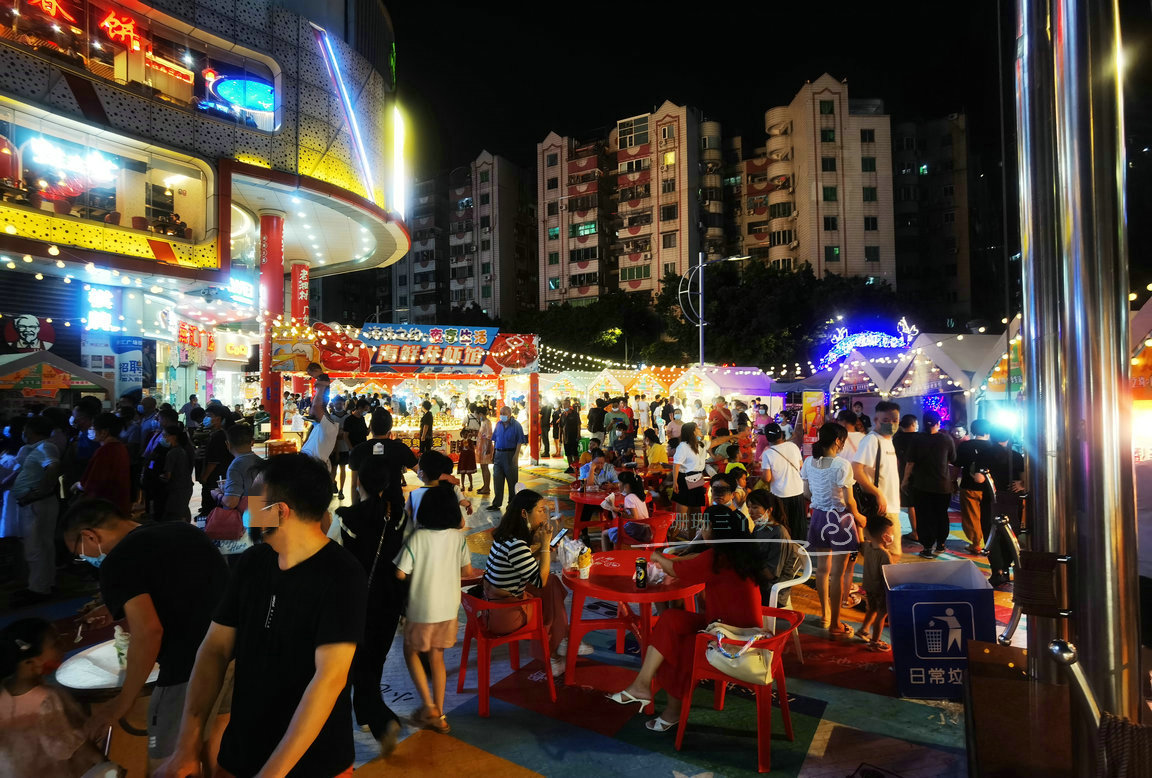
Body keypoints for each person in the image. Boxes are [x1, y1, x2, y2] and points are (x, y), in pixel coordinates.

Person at [157, 454, 366, 778]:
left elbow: (328, 680)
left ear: (280, 512)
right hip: (241, 752)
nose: (246, 510)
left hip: (314, 763)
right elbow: (214, 650)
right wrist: (186, 745)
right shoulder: (254, 562)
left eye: (254, 501)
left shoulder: (342, 575)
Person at [65, 498, 229, 772]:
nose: (86, 559)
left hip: (187, 669)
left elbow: (149, 632)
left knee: (167, 764)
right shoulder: (183, 531)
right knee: (219, 751)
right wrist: (113, 605)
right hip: (234, 655)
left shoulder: (117, 561)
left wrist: (122, 702)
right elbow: (186, 589)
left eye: (80, 553)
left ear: (89, 536)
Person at [607, 514, 765, 732]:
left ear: (718, 532)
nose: (702, 528)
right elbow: (691, 562)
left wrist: (654, 555)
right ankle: (642, 684)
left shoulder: (717, 558)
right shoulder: (738, 553)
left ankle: (670, 710)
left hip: (735, 639)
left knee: (680, 645)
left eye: (705, 525)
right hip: (730, 626)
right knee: (670, 620)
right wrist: (673, 560)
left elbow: (676, 570)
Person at [335, 457, 405, 756]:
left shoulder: (346, 519)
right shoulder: (399, 515)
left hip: (355, 602)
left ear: (358, 483)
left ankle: (379, 719)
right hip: (389, 600)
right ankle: (367, 714)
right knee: (373, 661)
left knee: (353, 665)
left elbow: (332, 562)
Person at [483, 488, 588, 678]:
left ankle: (561, 640)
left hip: (493, 606)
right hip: (506, 616)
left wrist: (542, 549)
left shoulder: (506, 537)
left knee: (552, 585)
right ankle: (555, 649)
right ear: (524, 513)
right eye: (540, 511)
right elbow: (539, 580)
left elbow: (526, 567)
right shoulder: (516, 545)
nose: (544, 516)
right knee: (548, 600)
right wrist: (546, 546)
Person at [394, 483, 472, 734]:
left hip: (422, 608)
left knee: (411, 652)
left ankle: (428, 706)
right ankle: (439, 713)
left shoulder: (418, 538)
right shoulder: (457, 538)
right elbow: (467, 571)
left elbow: (399, 572)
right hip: (449, 609)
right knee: (436, 657)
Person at [0, 618, 116, 777]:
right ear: (30, 663)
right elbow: (71, 744)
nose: (63, 645)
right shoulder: (47, 699)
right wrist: (105, 764)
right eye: (55, 643)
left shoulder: (3, 690)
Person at [802, 423, 865, 638]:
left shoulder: (809, 462)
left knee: (822, 571)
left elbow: (807, 493)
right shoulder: (842, 465)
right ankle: (836, 623)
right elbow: (849, 501)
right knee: (837, 574)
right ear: (838, 441)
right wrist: (859, 517)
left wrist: (821, 500)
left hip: (818, 518)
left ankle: (825, 615)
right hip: (839, 521)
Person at [10, 417, 60, 607]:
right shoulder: (35, 448)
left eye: (25, 429)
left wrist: (39, 492)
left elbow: (53, 467)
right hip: (38, 503)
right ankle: (45, 582)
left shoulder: (45, 447)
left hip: (37, 504)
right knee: (44, 545)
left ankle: (38, 589)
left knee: (35, 546)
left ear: (32, 431)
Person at [348, 409, 417, 525]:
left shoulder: (358, 450)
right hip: (395, 505)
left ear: (371, 427)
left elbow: (354, 484)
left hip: (366, 507)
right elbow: (421, 472)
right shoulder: (400, 448)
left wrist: (355, 507)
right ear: (390, 428)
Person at [904, 410, 957, 559]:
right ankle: (940, 544)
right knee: (941, 515)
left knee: (924, 516)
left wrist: (905, 480)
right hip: (942, 485)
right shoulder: (947, 439)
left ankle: (927, 547)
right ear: (938, 423)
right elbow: (953, 459)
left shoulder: (917, 439)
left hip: (922, 485)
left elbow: (910, 463)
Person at [209, 424, 262, 562]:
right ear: (252, 442)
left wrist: (218, 495)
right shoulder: (262, 462)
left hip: (244, 531)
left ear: (228, 444)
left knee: (240, 570)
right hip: (264, 524)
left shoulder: (236, 466)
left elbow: (231, 502)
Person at [986, 427, 1026, 587]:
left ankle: (998, 571)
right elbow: (1024, 480)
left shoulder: (985, 454)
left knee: (992, 534)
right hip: (1012, 500)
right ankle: (1007, 566)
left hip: (991, 501)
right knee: (1011, 533)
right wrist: (1021, 485)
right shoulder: (1016, 456)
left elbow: (979, 479)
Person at [72, 413, 130, 517]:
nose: (91, 430)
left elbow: (94, 482)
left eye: (93, 428)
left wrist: (78, 485)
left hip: (104, 506)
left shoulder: (105, 451)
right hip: (116, 503)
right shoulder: (120, 447)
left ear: (104, 432)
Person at [954, 418, 996, 554]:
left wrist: (953, 481)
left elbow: (957, 465)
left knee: (971, 516)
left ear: (972, 430)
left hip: (969, 486)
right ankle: (990, 543)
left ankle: (976, 544)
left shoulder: (965, 446)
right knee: (988, 516)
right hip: (989, 488)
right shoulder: (993, 446)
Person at [759, 422, 806, 540]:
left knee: (784, 524)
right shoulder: (793, 446)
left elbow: (767, 478)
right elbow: (801, 466)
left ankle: (785, 549)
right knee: (798, 523)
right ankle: (799, 549)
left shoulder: (768, 454)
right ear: (781, 434)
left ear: (767, 437)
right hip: (798, 491)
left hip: (780, 494)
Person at [859, 514, 897, 651]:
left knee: (872, 609)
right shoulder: (885, 554)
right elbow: (889, 575)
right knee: (882, 614)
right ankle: (875, 641)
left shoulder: (867, 547)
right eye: (891, 533)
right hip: (880, 589)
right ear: (884, 536)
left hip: (868, 587)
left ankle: (863, 629)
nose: (892, 536)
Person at [600, 470, 650, 550]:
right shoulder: (640, 496)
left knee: (605, 534)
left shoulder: (629, 498)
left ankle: (607, 557)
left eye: (620, 483)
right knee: (614, 531)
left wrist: (618, 512)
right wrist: (624, 509)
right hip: (646, 530)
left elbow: (634, 517)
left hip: (636, 531)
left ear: (626, 486)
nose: (618, 485)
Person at [488, 405, 525, 513]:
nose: (502, 416)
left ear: (510, 414)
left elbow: (519, 441)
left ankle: (512, 503)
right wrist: (493, 453)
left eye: (504, 414)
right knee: (497, 479)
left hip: (510, 454)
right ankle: (496, 503)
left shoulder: (516, 425)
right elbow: (495, 440)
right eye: (501, 413)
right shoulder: (498, 425)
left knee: (512, 481)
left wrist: (516, 456)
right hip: (499, 455)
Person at [200, 404, 233, 516]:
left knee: (211, 510)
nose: (206, 418)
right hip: (220, 478)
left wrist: (204, 477)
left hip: (215, 479)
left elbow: (214, 461)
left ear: (219, 418)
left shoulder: (219, 436)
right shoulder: (222, 434)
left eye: (209, 416)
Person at [670, 422, 707, 519]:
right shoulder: (683, 446)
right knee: (682, 514)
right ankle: (676, 531)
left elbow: (715, 441)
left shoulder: (699, 444)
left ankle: (692, 533)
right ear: (693, 432)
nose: (699, 430)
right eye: (697, 429)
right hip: (685, 478)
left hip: (697, 477)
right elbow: (676, 464)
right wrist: (675, 482)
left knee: (695, 512)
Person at [892, 413, 920, 542]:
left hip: (903, 473)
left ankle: (915, 532)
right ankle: (921, 531)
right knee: (920, 504)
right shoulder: (920, 438)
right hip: (921, 474)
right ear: (913, 424)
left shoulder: (896, 439)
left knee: (910, 504)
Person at [159, 424, 195, 523]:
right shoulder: (182, 450)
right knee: (183, 511)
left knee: (178, 515)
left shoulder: (172, 453)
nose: (163, 438)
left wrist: (161, 477)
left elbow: (168, 475)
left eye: (165, 435)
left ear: (173, 437)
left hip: (177, 488)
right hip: (185, 486)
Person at [300, 387, 339, 467]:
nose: (310, 410)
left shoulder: (329, 427)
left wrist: (321, 387)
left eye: (311, 406)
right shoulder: (317, 425)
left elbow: (316, 407)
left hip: (315, 468)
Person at [476, 405, 494, 495]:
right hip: (481, 447)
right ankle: (485, 485)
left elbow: (489, 437)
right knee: (483, 467)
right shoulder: (483, 422)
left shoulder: (487, 422)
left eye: (477, 414)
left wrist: (487, 448)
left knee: (485, 467)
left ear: (480, 414)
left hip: (485, 447)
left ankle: (487, 487)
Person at [560, 399, 582, 473]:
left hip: (574, 436)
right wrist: (561, 437)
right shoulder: (563, 414)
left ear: (569, 405)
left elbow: (578, 424)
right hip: (566, 438)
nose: (564, 406)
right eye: (563, 404)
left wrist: (579, 434)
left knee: (574, 453)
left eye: (565, 404)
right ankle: (570, 467)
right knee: (568, 453)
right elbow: (561, 426)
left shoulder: (575, 413)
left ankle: (577, 467)